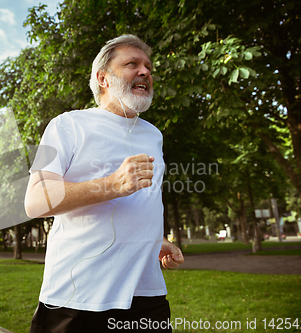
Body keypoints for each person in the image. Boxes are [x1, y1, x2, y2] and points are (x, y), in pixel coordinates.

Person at [25, 34, 184, 333]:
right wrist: (112, 184)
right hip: (77, 297)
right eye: (132, 64)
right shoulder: (66, 125)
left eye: (148, 67)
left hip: (146, 295)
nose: (146, 72)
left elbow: (141, 205)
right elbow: (36, 200)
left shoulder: (154, 135)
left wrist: (152, 240)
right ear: (103, 78)